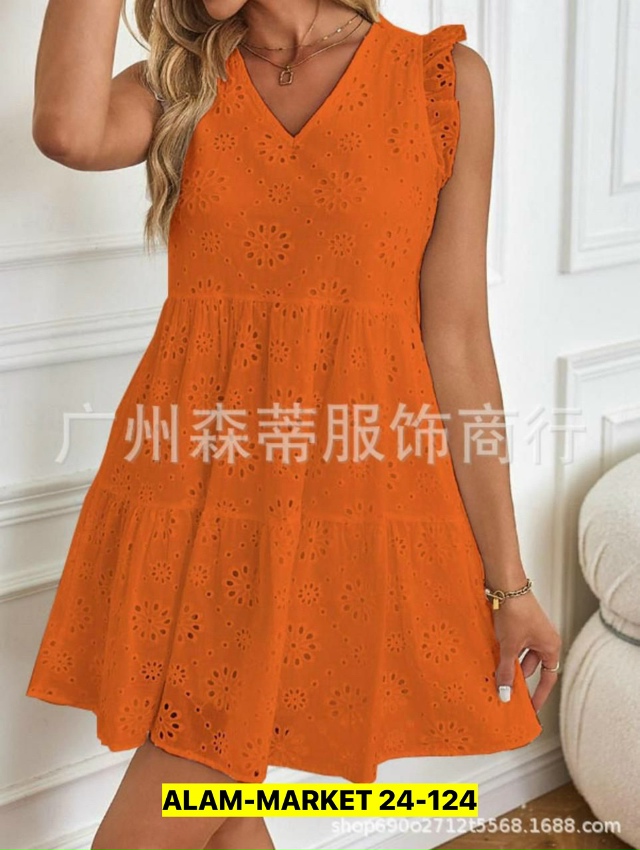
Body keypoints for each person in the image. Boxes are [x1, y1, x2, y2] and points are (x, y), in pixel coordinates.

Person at [25, 0, 563, 848]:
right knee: (218, 789)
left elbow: (458, 337)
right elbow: (66, 129)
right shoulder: (185, 83)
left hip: (341, 494)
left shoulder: (440, 82)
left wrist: (510, 583)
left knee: (209, 787)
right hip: (195, 492)